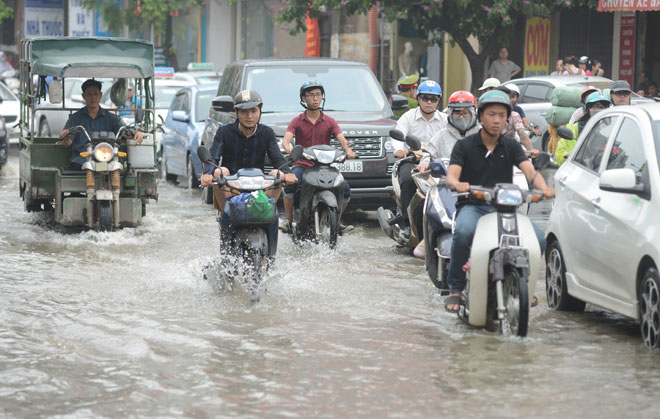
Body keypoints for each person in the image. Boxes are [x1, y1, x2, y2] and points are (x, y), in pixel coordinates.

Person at [443, 90, 554, 313]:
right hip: (473, 205)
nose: (497, 120)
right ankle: (455, 288)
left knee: (539, 239)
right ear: (480, 116)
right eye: (491, 114)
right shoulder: (465, 146)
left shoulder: (511, 146)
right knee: (463, 232)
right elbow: (451, 176)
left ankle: (524, 285)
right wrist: (458, 184)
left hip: (505, 207)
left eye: (502, 115)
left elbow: (530, 172)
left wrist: (544, 188)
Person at [200, 89, 297, 213]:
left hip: (259, 186)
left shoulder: (267, 132)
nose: (249, 116)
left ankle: (266, 213)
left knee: (278, 174)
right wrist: (207, 173)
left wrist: (288, 173)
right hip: (230, 186)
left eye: (254, 111)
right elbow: (213, 157)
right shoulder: (224, 131)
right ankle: (228, 216)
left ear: (260, 111)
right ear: (236, 112)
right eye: (244, 112)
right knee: (220, 171)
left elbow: (277, 158)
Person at [281, 80, 356, 233]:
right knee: (290, 184)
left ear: (322, 97)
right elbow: (286, 140)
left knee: (345, 188)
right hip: (303, 165)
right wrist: (289, 148)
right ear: (303, 98)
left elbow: (342, 140)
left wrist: (348, 150)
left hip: (326, 166)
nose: (315, 98)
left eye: (318, 94)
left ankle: (337, 221)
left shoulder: (330, 121)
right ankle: (288, 221)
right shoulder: (297, 121)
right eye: (311, 95)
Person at [414, 90, 480, 259]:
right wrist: (425, 162)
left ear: (473, 112)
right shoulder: (442, 135)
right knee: (429, 204)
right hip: (447, 186)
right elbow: (429, 152)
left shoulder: (483, 134)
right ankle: (428, 238)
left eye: (465, 112)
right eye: (457, 113)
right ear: (450, 113)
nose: (461, 116)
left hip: (478, 186)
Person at [393, 79, 447, 239]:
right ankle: (407, 225)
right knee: (409, 181)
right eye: (425, 98)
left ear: (438, 100)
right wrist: (399, 150)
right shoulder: (408, 117)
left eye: (433, 99)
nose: (429, 102)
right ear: (418, 99)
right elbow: (398, 134)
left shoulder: (445, 119)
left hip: (437, 162)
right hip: (412, 160)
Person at [59, 79, 142, 170]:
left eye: (96, 94)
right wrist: (66, 137)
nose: (93, 97)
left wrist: (136, 133)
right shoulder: (75, 118)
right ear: (83, 96)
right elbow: (66, 143)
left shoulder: (111, 118)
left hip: (108, 159)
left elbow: (123, 131)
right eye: (89, 94)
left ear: (101, 95)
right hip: (82, 161)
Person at [555, 91, 611, 166]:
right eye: (597, 106)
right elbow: (559, 156)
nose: (601, 110)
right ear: (589, 108)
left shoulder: (613, 127)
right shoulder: (575, 129)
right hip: (579, 169)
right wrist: (570, 154)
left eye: (604, 107)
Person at [497, 86, 537, 156]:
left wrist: (531, 151)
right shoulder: (488, 116)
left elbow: (522, 135)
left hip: (509, 153)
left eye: (508, 98)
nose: (508, 101)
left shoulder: (514, 115)